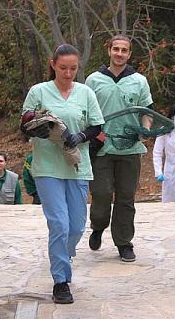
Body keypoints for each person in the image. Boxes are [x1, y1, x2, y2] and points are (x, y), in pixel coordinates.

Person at [20, 44, 104, 304]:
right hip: (47, 166)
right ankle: (60, 280)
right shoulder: (38, 91)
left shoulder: (86, 93)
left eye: (73, 68)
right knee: (58, 223)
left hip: (77, 165)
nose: (68, 73)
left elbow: (97, 125)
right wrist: (40, 128)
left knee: (76, 226)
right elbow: (24, 123)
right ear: (53, 64)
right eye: (63, 68)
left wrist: (80, 136)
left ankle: (62, 255)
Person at [85, 35, 153, 262]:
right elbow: (84, 112)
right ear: (109, 51)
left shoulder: (139, 81)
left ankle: (124, 242)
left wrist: (145, 130)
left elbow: (147, 112)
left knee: (126, 198)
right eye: (116, 49)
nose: (120, 53)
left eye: (124, 50)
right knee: (101, 193)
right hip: (102, 146)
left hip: (130, 148)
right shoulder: (93, 80)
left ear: (130, 54)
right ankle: (98, 226)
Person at [152, 105, 175, 203]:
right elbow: (157, 152)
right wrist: (158, 172)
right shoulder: (164, 131)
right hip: (171, 171)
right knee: (171, 203)